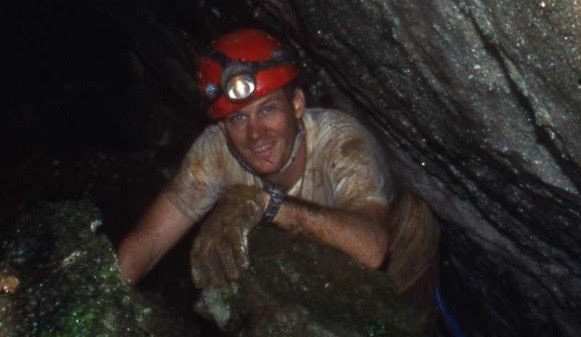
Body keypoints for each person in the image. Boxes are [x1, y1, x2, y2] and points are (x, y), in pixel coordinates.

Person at [115, 29, 439, 311]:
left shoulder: (342, 143)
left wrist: (266, 204)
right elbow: (147, 245)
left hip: (399, 247)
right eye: (238, 118)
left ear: (297, 105)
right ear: (224, 128)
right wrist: (100, 301)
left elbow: (372, 250)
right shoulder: (214, 153)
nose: (256, 134)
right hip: (316, 259)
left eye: (268, 110)